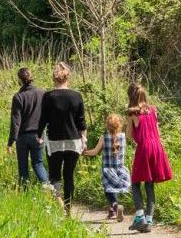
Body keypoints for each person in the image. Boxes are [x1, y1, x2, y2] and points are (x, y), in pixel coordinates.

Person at [40, 62, 87, 213]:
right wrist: (84, 139)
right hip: (73, 141)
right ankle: (68, 210)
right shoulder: (76, 96)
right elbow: (81, 121)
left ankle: (58, 201)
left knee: (54, 175)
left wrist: (38, 135)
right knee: (69, 176)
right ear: (68, 77)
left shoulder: (48, 96)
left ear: (54, 78)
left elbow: (43, 119)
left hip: (54, 141)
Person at [126, 82, 172, 232]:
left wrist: (134, 131)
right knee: (150, 185)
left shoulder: (132, 113)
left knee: (135, 182)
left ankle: (140, 217)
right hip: (157, 147)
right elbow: (157, 131)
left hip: (144, 147)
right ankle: (149, 220)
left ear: (130, 97)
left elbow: (128, 135)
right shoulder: (153, 110)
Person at [82, 111, 131, 221]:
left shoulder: (104, 138)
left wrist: (82, 153)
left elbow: (94, 152)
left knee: (108, 191)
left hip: (108, 170)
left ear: (107, 125)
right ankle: (112, 211)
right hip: (120, 169)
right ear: (119, 125)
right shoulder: (123, 136)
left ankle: (115, 206)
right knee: (114, 189)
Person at [7, 66, 48, 187]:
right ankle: (50, 191)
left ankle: (25, 194)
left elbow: (15, 122)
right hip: (38, 136)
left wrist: (10, 142)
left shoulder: (18, 97)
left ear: (19, 80)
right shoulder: (42, 93)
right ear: (31, 77)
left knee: (23, 166)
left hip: (23, 137)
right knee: (38, 164)